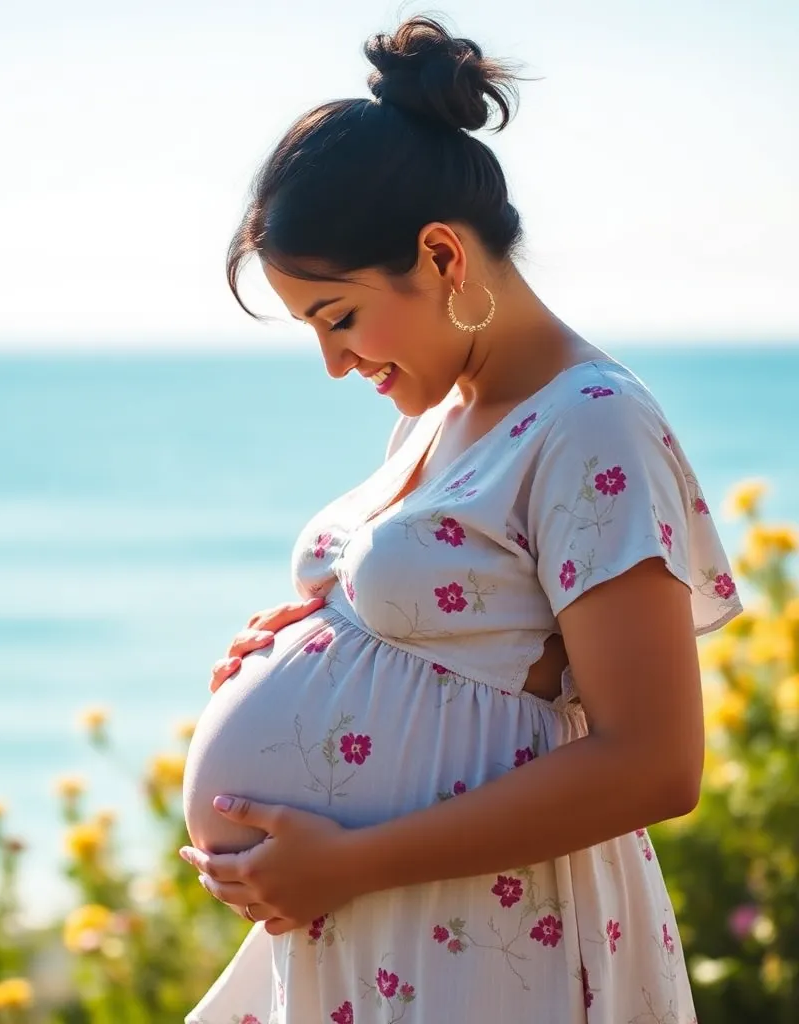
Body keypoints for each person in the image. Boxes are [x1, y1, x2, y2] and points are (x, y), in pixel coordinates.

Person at [177, 14, 741, 1024]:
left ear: (441, 254)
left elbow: (655, 762)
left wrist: (349, 861)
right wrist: (325, 627)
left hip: (491, 944)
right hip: (383, 935)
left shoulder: (592, 423)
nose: (334, 363)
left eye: (339, 316)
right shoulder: (440, 413)